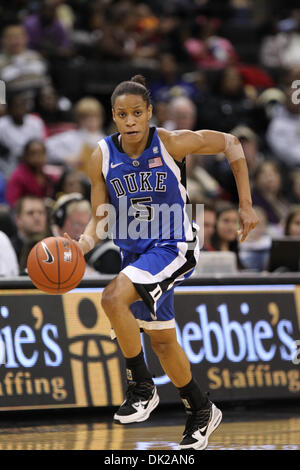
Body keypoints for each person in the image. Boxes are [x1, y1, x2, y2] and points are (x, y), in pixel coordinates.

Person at [65, 75, 258, 450]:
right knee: (164, 343)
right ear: (114, 117)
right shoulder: (101, 155)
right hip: (135, 252)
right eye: (123, 115)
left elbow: (232, 143)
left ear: (150, 113)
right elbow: (100, 216)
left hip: (174, 245)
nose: (131, 121)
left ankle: (141, 386)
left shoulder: (170, 142)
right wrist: (83, 243)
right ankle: (202, 410)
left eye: (138, 113)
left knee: (111, 298)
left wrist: (246, 203)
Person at [5, 139, 56, 207]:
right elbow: (13, 202)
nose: (38, 157)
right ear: (26, 156)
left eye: (41, 153)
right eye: (33, 153)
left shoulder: (48, 176)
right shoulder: (18, 176)